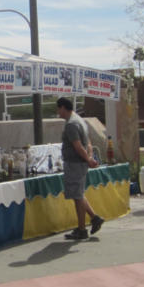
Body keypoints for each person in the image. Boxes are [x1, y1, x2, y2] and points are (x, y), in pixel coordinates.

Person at [56, 97, 104, 240]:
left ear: (63, 108)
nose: (58, 112)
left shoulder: (71, 124)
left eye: (58, 109)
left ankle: (84, 227)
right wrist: (89, 158)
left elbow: (77, 146)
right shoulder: (80, 120)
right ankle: (92, 220)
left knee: (77, 196)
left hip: (74, 164)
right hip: (80, 163)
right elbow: (88, 142)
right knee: (79, 194)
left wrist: (88, 159)